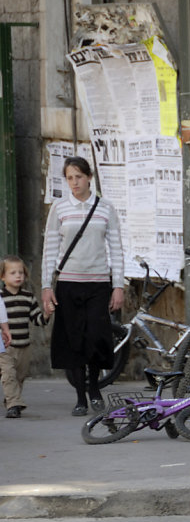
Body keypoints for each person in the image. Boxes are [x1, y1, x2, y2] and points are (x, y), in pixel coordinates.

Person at [41, 156, 125, 417]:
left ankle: (95, 388)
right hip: (68, 283)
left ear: (89, 177)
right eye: (69, 178)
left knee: (97, 339)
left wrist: (118, 286)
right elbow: (50, 249)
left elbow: (116, 249)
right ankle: (80, 397)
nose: (74, 182)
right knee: (73, 341)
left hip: (99, 283)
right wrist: (46, 286)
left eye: (78, 176)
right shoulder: (60, 208)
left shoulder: (105, 208)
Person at [0, 256, 48, 418]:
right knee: (8, 375)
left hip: (24, 346)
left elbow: (38, 320)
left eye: (21, 272)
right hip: (6, 347)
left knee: (20, 376)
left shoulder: (28, 297)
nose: (18, 276)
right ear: (3, 277)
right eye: (13, 273)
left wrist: (47, 314)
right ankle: (13, 404)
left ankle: (12, 400)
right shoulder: (1, 298)